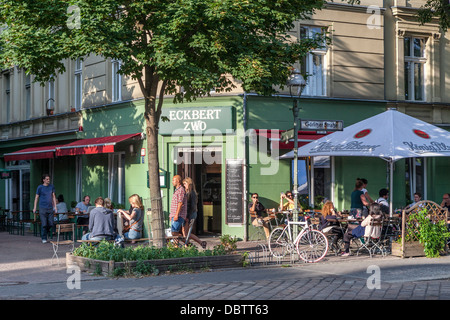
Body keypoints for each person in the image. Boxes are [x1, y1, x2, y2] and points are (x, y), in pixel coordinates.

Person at [182, 177, 207, 249]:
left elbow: (192, 206)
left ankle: (189, 245)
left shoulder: (192, 193)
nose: (184, 185)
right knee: (185, 231)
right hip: (188, 213)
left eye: (185, 184)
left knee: (186, 231)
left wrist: (188, 216)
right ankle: (195, 243)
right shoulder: (187, 193)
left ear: (189, 184)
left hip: (190, 214)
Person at [33, 174, 57, 243]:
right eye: (47, 179)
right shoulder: (40, 187)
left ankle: (46, 232)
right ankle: (44, 238)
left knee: (51, 223)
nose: (48, 180)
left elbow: (53, 197)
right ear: (43, 180)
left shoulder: (51, 187)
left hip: (50, 208)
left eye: (49, 179)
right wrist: (34, 207)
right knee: (44, 224)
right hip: (42, 208)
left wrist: (55, 207)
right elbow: (36, 197)